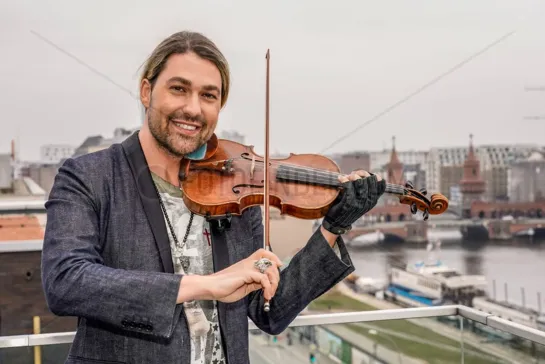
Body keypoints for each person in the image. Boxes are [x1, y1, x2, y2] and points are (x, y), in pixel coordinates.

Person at [41, 30, 386, 364]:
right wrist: (205, 285)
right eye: (179, 89)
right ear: (146, 91)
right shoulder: (89, 176)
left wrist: (332, 228)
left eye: (209, 95)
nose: (193, 109)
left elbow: (270, 311)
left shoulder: (235, 187)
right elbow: (66, 281)